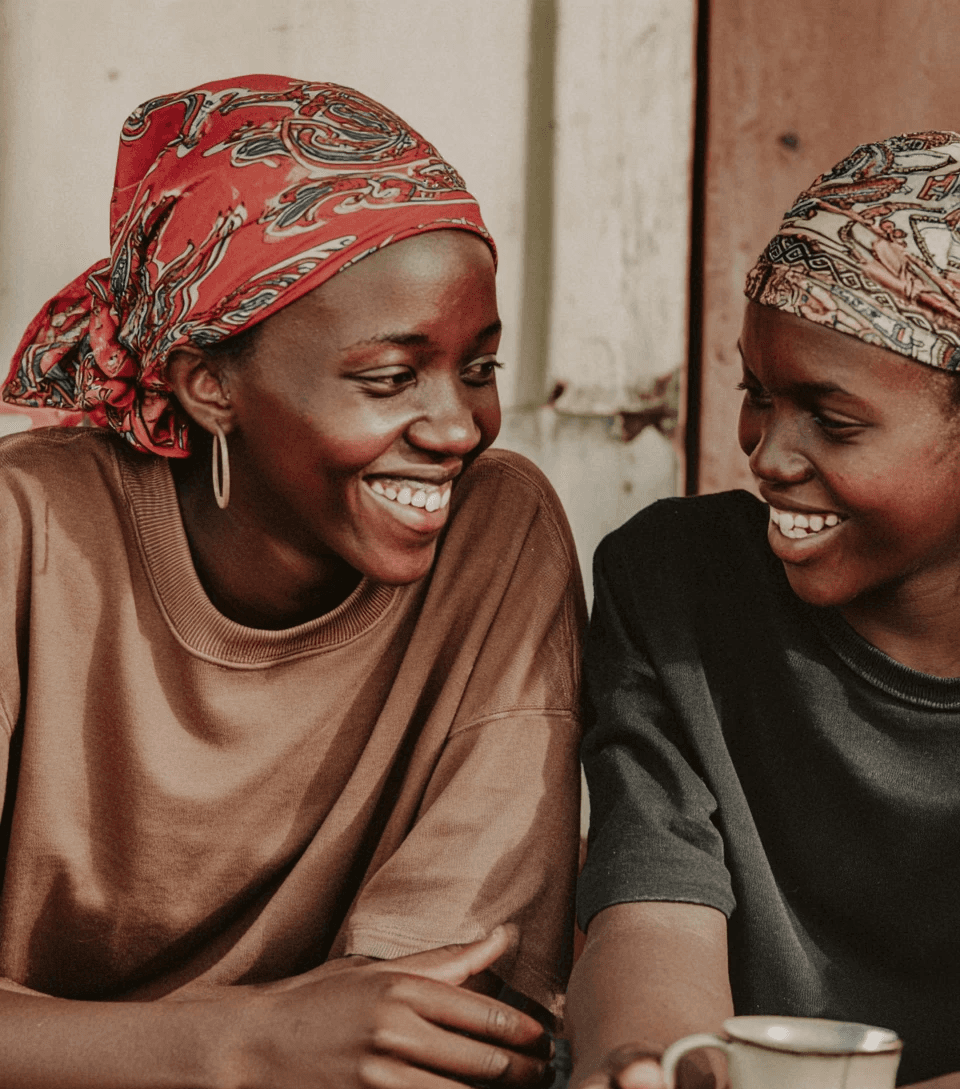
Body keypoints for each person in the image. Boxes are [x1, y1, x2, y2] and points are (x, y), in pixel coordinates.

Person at [0, 74, 584, 1088]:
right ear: (208, 384)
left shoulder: (499, 534)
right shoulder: (29, 533)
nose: (456, 429)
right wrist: (241, 1045)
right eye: (391, 378)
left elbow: (439, 1007)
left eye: (477, 369)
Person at [567, 130, 960, 1089]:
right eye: (756, 392)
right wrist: (645, 1064)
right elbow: (653, 900)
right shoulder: (680, 588)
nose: (767, 453)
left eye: (830, 417)